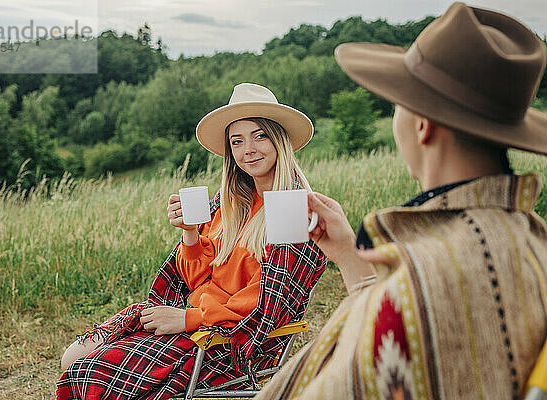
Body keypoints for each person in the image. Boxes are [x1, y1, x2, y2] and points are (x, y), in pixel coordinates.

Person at [255, 3, 547, 399]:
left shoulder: (425, 276)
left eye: (397, 103)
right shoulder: (532, 239)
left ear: (423, 126)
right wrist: (346, 253)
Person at [56, 83, 326, 400]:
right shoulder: (228, 201)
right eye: (237, 141)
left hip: (232, 341)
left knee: (85, 375)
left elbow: (271, 303)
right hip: (192, 318)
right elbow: (194, 277)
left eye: (259, 136)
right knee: (72, 355)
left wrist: (188, 319)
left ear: (280, 140)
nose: (248, 149)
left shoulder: (291, 209)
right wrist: (189, 232)